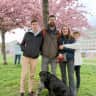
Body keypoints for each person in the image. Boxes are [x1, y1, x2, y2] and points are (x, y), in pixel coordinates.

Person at [37, 15, 60, 95]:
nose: (52, 21)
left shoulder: (58, 32)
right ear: (48, 21)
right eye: (50, 20)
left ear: (55, 20)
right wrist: (40, 51)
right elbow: (38, 41)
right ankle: (40, 89)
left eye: (53, 19)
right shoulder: (43, 31)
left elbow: (60, 44)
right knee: (43, 74)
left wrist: (58, 54)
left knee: (53, 74)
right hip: (45, 56)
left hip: (54, 57)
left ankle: (53, 90)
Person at [20, 19, 43, 96]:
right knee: (24, 74)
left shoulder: (41, 35)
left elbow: (41, 47)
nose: (34, 25)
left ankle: (30, 91)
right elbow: (22, 44)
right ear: (31, 25)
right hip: (26, 57)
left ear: (38, 25)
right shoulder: (27, 34)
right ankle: (22, 91)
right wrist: (24, 50)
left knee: (32, 75)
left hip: (34, 58)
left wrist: (38, 53)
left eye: (36, 24)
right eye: (33, 24)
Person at [58, 24, 76, 96]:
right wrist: (59, 53)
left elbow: (73, 49)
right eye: (63, 29)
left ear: (68, 30)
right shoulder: (59, 38)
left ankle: (72, 93)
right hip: (61, 58)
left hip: (70, 59)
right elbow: (58, 48)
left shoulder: (72, 38)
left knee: (71, 76)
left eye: (66, 29)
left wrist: (64, 48)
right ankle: (65, 92)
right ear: (61, 30)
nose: (64, 30)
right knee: (63, 76)